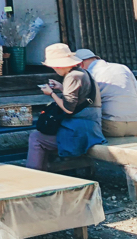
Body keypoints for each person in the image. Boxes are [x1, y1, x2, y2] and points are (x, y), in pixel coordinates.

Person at [27, 43, 105, 171]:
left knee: (36, 138)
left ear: (57, 65)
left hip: (80, 132)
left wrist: (51, 93)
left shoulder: (72, 76)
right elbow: (80, 98)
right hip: (90, 127)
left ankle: (33, 174)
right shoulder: (82, 73)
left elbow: (69, 108)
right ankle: (43, 173)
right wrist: (60, 87)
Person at [75, 49, 137, 138]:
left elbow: (84, 105)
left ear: (80, 64)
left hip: (111, 127)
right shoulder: (123, 68)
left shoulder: (88, 74)